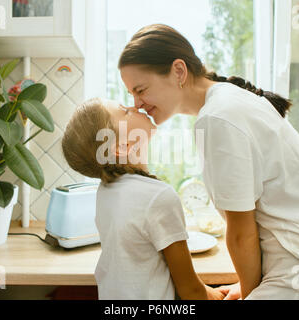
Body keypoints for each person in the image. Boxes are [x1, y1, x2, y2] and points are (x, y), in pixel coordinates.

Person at [118, 24, 299, 300]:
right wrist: (249, 287)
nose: (137, 104)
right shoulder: (228, 103)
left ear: (178, 71)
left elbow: (241, 233)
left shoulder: (218, 117)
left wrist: (249, 293)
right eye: (131, 95)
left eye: (141, 89)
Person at [61, 97, 225, 300]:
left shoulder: (107, 190)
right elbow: (190, 291)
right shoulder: (157, 196)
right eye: (124, 111)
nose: (135, 106)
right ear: (121, 147)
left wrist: (211, 293)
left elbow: (157, 269)